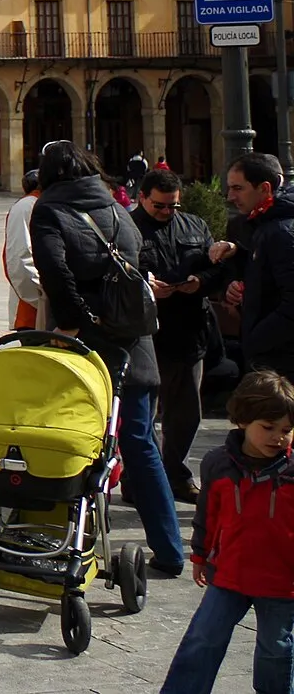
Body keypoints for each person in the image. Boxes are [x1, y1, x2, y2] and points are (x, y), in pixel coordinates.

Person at [29, 140, 184, 576]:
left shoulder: (51, 210)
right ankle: (171, 549)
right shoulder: (116, 208)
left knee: (71, 442)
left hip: (88, 349)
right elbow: (138, 262)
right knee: (138, 443)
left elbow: (55, 271)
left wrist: (72, 324)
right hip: (134, 345)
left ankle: (62, 538)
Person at [156, 370, 294, 694]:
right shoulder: (218, 464)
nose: (278, 437)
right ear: (243, 421)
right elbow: (207, 514)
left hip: (281, 580)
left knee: (277, 650)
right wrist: (200, 554)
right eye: (269, 428)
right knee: (203, 638)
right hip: (229, 573)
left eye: (287, 430)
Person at [135, 167, 218, 502]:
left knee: (186, 415)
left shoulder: (194, 225)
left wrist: (201, 281)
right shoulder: (127, 227)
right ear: (142, 197)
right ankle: (145, 479)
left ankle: (175, 475)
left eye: (173, 206)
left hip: (189, 333)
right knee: (144, 417)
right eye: (160, 206)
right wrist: (145, 284)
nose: (167, 212)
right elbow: (116, 272)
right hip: (147, 337)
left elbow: (216, 266)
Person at [223, 153, 294, 377]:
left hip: (279, 362)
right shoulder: (265, 224)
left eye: (238, 188)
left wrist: (254, 341)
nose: (230, 196)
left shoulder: (281, 231)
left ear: (264, 188)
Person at [4, 169, 47, 329]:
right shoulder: (27, 206)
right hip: (32, 307)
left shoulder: (39, 204)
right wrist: (41, 300)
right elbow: (19, 258)